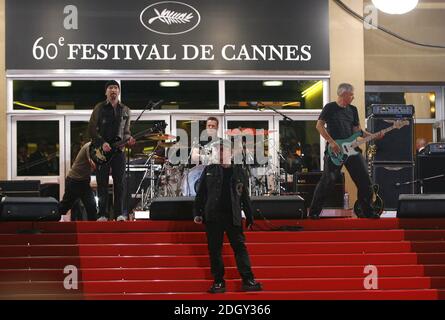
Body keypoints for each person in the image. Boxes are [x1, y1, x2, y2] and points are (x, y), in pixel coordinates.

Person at [193, 141, 262, 293]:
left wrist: (250, 216)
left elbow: (244, 196)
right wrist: (197, 213)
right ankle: (218, 282)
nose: (223, 154)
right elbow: (201, 194)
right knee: (214, 250)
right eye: (220, 151)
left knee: (240, 248)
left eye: (226, 151)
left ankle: (248, 280)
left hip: (233, 216)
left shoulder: (239, 171)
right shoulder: (209, 170)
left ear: (231, 153)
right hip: (213, 216)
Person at [309, 83, 383, 219]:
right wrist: (331, 142)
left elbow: (357, 131)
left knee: (365, 181)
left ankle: (367, 212)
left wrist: (373, 135)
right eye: (351, 94)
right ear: (343, 94)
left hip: (352, 150)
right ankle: (313, 212)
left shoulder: (353, 110)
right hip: (335, 150)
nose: (353, 97)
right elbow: (319, 126)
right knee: (328, 181)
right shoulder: (330, 107)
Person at [88, 80, 135, 221]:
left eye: (115, 87)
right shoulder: (99, 108)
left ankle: (119, 214)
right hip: (102, 151)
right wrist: (102, 143)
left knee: (119, 183)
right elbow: (91, 128)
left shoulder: (125, 110)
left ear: (119, 91)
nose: (113, 90)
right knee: (102, 183)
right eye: (110, 88)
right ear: (106, 92)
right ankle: (102, 214)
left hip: (119, 152)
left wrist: (129, 139)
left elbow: (126, 132)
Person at [59, 142, 97, 221]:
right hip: (74, 181)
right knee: (64, 207)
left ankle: (93, 230)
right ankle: (49, 222)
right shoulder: (89, 146)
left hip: (84, 182)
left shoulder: (99, 148)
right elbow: (93, 164)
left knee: (92, 206)